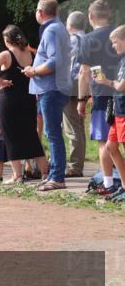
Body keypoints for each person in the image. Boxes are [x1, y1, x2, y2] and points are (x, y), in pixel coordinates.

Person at [22, 0, 72, 191]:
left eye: (36, 10)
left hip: (50, 88)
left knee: (53, 134)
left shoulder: (51, 30)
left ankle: (57, 177)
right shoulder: (59, 28)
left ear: (41, 12)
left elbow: (54, 61)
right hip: (55, 87)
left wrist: (33, 71)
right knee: (52, 133)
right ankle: (54, 175)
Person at [0, 25, 47, 183]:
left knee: (11, 137)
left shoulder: (6, 54)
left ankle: (17, 175)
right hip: (28, 99)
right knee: (32, 136)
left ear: (7, 40)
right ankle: (45, 173)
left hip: (10, 99)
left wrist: (1, 82)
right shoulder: (31, 53)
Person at [78, 0, 122, 183]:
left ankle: (108, 182)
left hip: (101, 94)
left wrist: (81, 99)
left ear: (90, 16)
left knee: (104, 140)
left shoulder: (88, 39)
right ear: (109, 15)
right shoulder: (119, 34)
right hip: (120, 91)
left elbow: (84, 72)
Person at [91, 26, 125, 200]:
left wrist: (106, 81)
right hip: (118, 110)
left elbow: (121, 86)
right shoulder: (121, 60)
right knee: (111, 147)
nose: (113, 45)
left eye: (115, 42)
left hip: (123, 111)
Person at [62, 11, 87, 177]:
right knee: (79, 126)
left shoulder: (72, 40)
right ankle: (78, 164)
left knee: (72, 128)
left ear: (69, 25)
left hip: (71, 85)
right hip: (83, 85)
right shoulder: (88, 39)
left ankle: (74, 167)